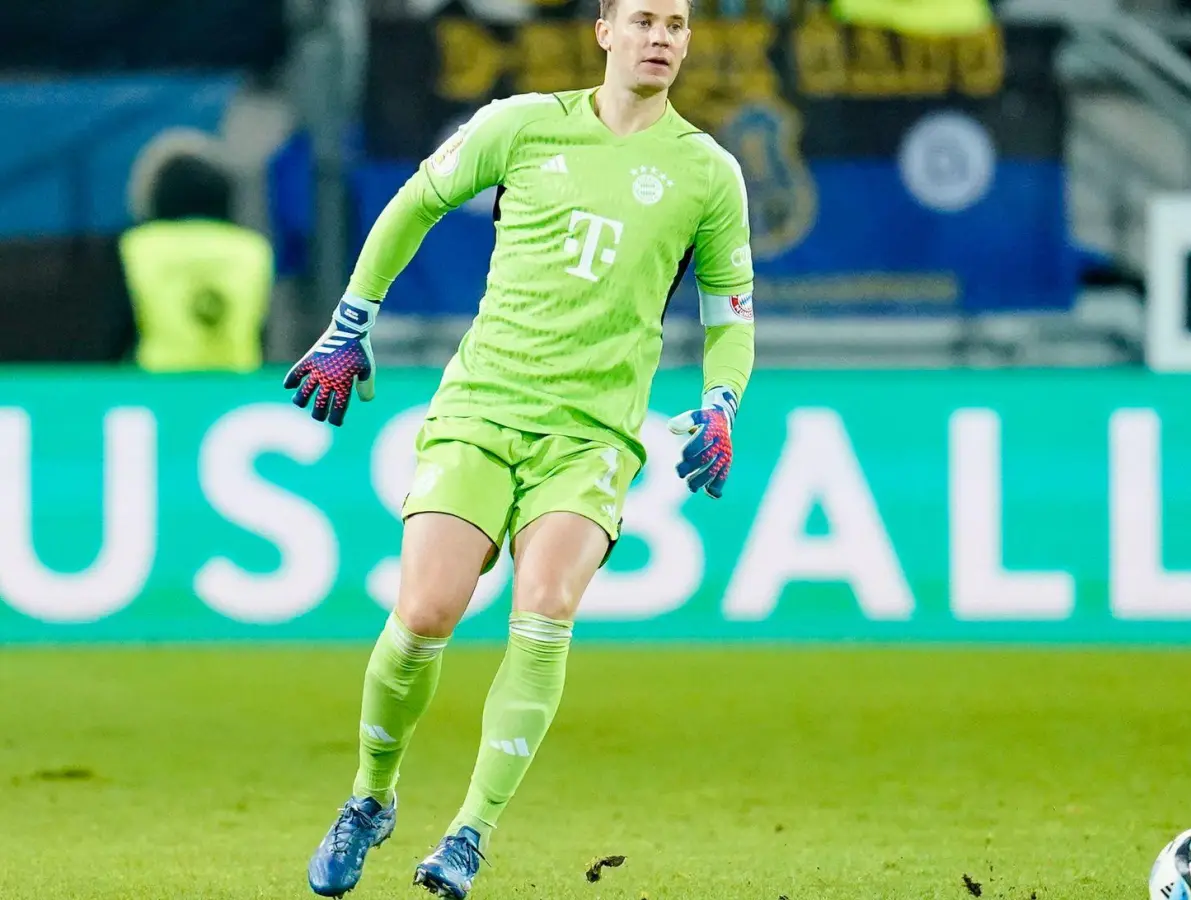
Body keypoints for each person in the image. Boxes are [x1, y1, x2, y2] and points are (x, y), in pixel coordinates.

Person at [288, 0, 755, 896]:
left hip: (593, 433)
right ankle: (370, 798)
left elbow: (730, 317)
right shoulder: (522, 126)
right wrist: (351, 322)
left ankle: (469, 832)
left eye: (680, 24)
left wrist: (722, 403)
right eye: (646, 20)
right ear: (605, 32)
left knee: (545, 607)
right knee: (426, 612)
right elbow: (414, 204)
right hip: (483, 405)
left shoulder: (708, 173)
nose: (664, 38)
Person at [112, 144, 274, 372]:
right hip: (235, 387)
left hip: (159, 387)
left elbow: (116, 330)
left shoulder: (139, 247)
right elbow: (263, 330)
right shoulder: (252, 249)